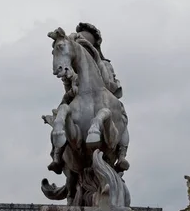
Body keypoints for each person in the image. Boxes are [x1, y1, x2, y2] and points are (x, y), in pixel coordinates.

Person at [44, 22, 130, 174]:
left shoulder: (104, 64)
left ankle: (122, 154)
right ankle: (57, 155)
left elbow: (112, 86)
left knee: (121, 113)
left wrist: (105, 82)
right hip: (79, 98)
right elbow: (68, 88)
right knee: (61, 111)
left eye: (86, 41)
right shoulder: (74, 67)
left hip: (104, 95)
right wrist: (69, 84)